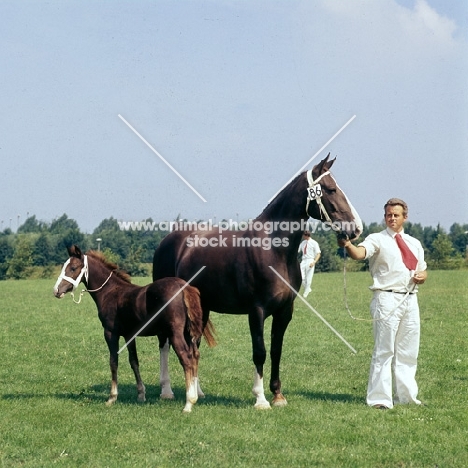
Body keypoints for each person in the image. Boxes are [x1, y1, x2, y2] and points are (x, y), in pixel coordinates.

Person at [337, 198, 427, 410]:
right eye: (388, 215)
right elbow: (360, 253)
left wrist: (423, 276)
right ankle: (379, 399)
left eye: (396, 215)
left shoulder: (415, 244)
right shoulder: (376, 239)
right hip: (386, 299)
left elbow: (423, 269)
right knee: (384, 350)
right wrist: (348, 245)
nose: (392, 218)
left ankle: (407, 397)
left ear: (405, 217)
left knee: (408, 352)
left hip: (410, 299)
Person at [298, 230, 321, 298]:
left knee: (309, 277)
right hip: (303, 260)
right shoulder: (303, 243)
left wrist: (314, 262)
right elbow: (298, 250)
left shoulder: (314, 243)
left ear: (306, 235)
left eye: (303, 235)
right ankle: (307, 288)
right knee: (301, 276)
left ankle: (306, 291)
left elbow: (318, 254)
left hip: (310, 260)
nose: (302, 237)